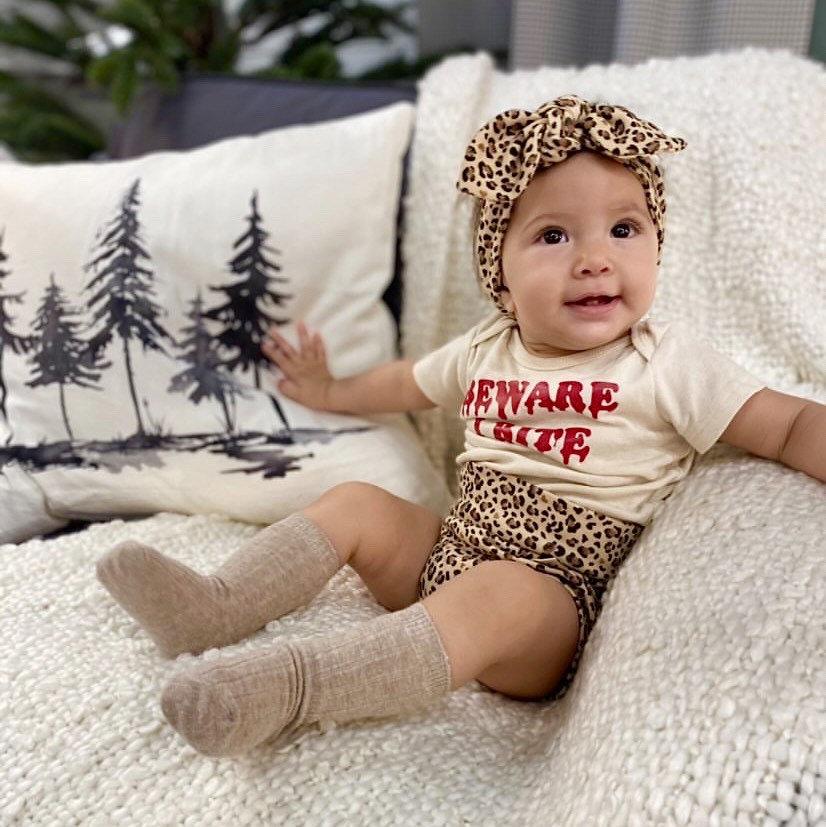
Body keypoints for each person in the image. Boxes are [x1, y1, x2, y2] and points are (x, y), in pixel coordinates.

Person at [96, 95, 825, 758]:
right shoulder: (486, 348)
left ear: (656, 246)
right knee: (357, 503)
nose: (596, 259)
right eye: (553, 236)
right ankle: (213, 608)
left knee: (497, 593)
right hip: (451, 548)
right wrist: (330, 388)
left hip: (549, 602)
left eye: (625, 228)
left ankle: (287, 687)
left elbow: (788, 424)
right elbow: (402, 384)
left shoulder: (665, 363)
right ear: (500, 274)